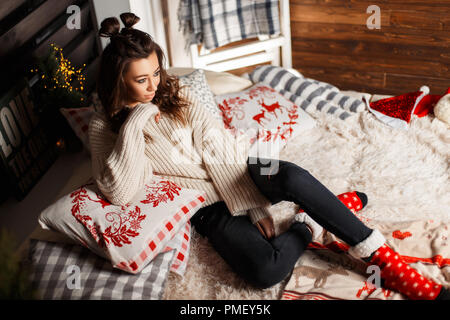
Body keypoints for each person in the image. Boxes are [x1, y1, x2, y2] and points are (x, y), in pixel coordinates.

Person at [89, 13, 449, 300]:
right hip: (202, 207)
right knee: (265, 272)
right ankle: (312, 222)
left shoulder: (176, 92)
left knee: (291, 177)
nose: (155, 86)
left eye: (157, 72)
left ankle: (382, 259)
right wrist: (135, 120)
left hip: (235, 172)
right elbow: (118, 190)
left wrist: (252, 204)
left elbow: (217, 144)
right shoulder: (104, 125)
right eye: (142, 80)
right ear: (120, 81)